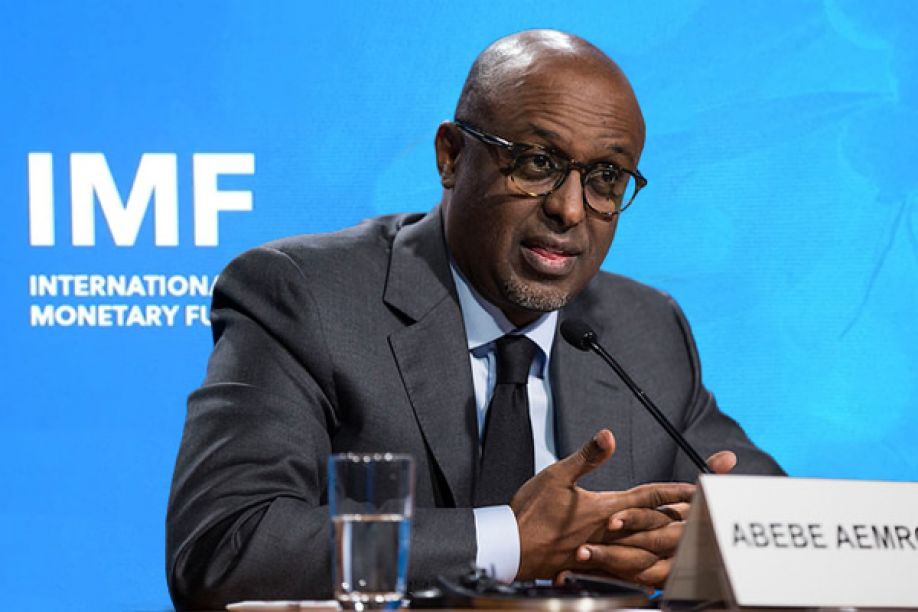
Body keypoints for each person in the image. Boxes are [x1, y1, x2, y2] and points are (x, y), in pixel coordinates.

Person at [166, 29, 783, 610]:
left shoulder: (643, 326)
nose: (570, 210)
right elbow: (225, 547)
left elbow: (788, 530)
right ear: (452, 156)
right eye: (537, 162)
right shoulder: (306, 297)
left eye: (605, 178)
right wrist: (509, 541)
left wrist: (702, 545)